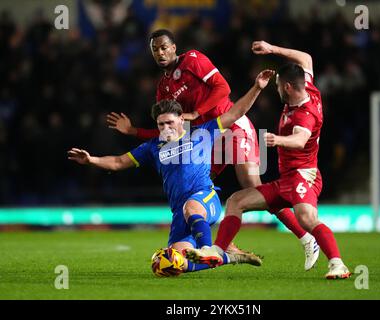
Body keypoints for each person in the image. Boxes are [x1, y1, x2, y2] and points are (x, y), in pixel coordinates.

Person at [106, 29, 319, 270]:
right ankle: (219, 247)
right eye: (155, 49)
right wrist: (134, 131)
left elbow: (222, 88)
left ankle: (306, 237)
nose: (160, 52)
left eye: (164, 47)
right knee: (198, 188)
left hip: (231, 127)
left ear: (174, 47)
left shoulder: (193, 60)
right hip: (207, 138)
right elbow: (168, 130)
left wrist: (197, 113)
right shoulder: (163, 87)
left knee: (254, 188)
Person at [68, 69, 275, 274]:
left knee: (191, 207)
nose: (166, 127)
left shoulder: (203, 133)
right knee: (172, 263)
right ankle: (227, 257)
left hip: (204, 199)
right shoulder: (152, 147)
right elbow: (118, 162)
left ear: (181, 119)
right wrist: (90, 160)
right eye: (161, 124)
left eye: (170, 122)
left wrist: (257, 87)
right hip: (179, 212)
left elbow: (236, 113)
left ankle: (207, 248)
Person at [185, 41, 351, 280]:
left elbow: (301, 140)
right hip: (286, 180)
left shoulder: (305, 114)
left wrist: (277, 140)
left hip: (303, 177)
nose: (277, 91)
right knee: (236, 201)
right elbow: (305, 57)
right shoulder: (310, 90)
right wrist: (272, 49)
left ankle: (337, 263)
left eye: (278, 87)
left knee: (307, 218)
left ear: (288, 87)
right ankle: (216, 251)